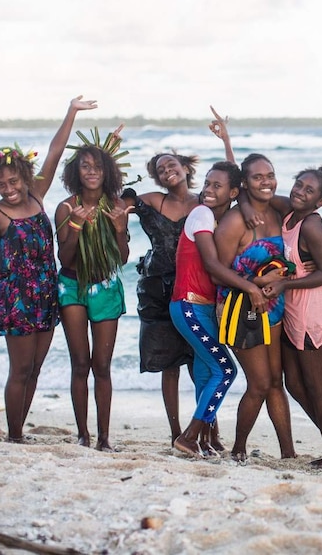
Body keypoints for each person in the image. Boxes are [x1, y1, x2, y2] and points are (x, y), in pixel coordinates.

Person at [0, 95, 98, 443]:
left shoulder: (37, 195)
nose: (9, 189)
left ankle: (18, 431)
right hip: (15, 297)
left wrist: (71, 112)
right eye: (1, 185)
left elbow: (54, 151)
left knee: (35, 368)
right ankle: (15, 436)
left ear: (24, 176)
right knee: (19, 369)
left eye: (13, 182)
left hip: (46, 290)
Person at [121, 107, 233, 453]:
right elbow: (114, 198)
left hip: (198, 289)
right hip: (158, 290)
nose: (166, 170)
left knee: (203, 362)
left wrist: (227, 141)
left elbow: (235, 183)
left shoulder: (207, 202)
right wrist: (111, 156)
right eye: (159, 169)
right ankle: (177, 433)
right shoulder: (153, 201)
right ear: (157, 179)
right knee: (169, 365)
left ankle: (207, 432)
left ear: (185, 168)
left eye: (171, 164)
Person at [169, 161, 268, 458]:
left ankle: (206, 438)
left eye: (217, 185)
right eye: (208, 183)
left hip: (205, 309)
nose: (208, 190)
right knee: (225, 370)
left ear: (234, 191)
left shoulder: (224, 219)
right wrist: (251, 287)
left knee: (205, 373)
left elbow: (240, 176)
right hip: (188, 305)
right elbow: (212, 265)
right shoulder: (201, 214)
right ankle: (189, 436)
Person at [214, 153, 296, 462]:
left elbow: (309, 211)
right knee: (259, 383)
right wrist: (255, 283)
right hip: (239, 309)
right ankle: (238, 449)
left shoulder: (279, 211)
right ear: (245, 183)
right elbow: (217, 271)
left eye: (270, 175)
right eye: (258, 177)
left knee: (276, 381)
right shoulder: (235, 221)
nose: (267, 182)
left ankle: (288, 453)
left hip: (273, 308)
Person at [55, 124, 132, 451]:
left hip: (106, 286)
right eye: (85, 166)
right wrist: (74, 224)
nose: (91, 171)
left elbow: (123, 258)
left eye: (97, 166)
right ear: (76, 171)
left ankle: (103, 437)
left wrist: (118, 228)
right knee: (80, 364)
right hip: (71, 287)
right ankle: (83, 435)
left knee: (102, 366)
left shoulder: (116, 205)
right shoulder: (65, 206)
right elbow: (65, 257)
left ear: (107, 171)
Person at [261, 167, 322, 465]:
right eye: (299, 185)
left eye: (309, 191)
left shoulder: (310, 226)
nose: (300, 192)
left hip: (314, 312)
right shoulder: (289, 211)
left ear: (319, 202)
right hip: (292, 308)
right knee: (293, 383)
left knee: (317, 384)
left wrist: (284, 283)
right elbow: (258, 194)